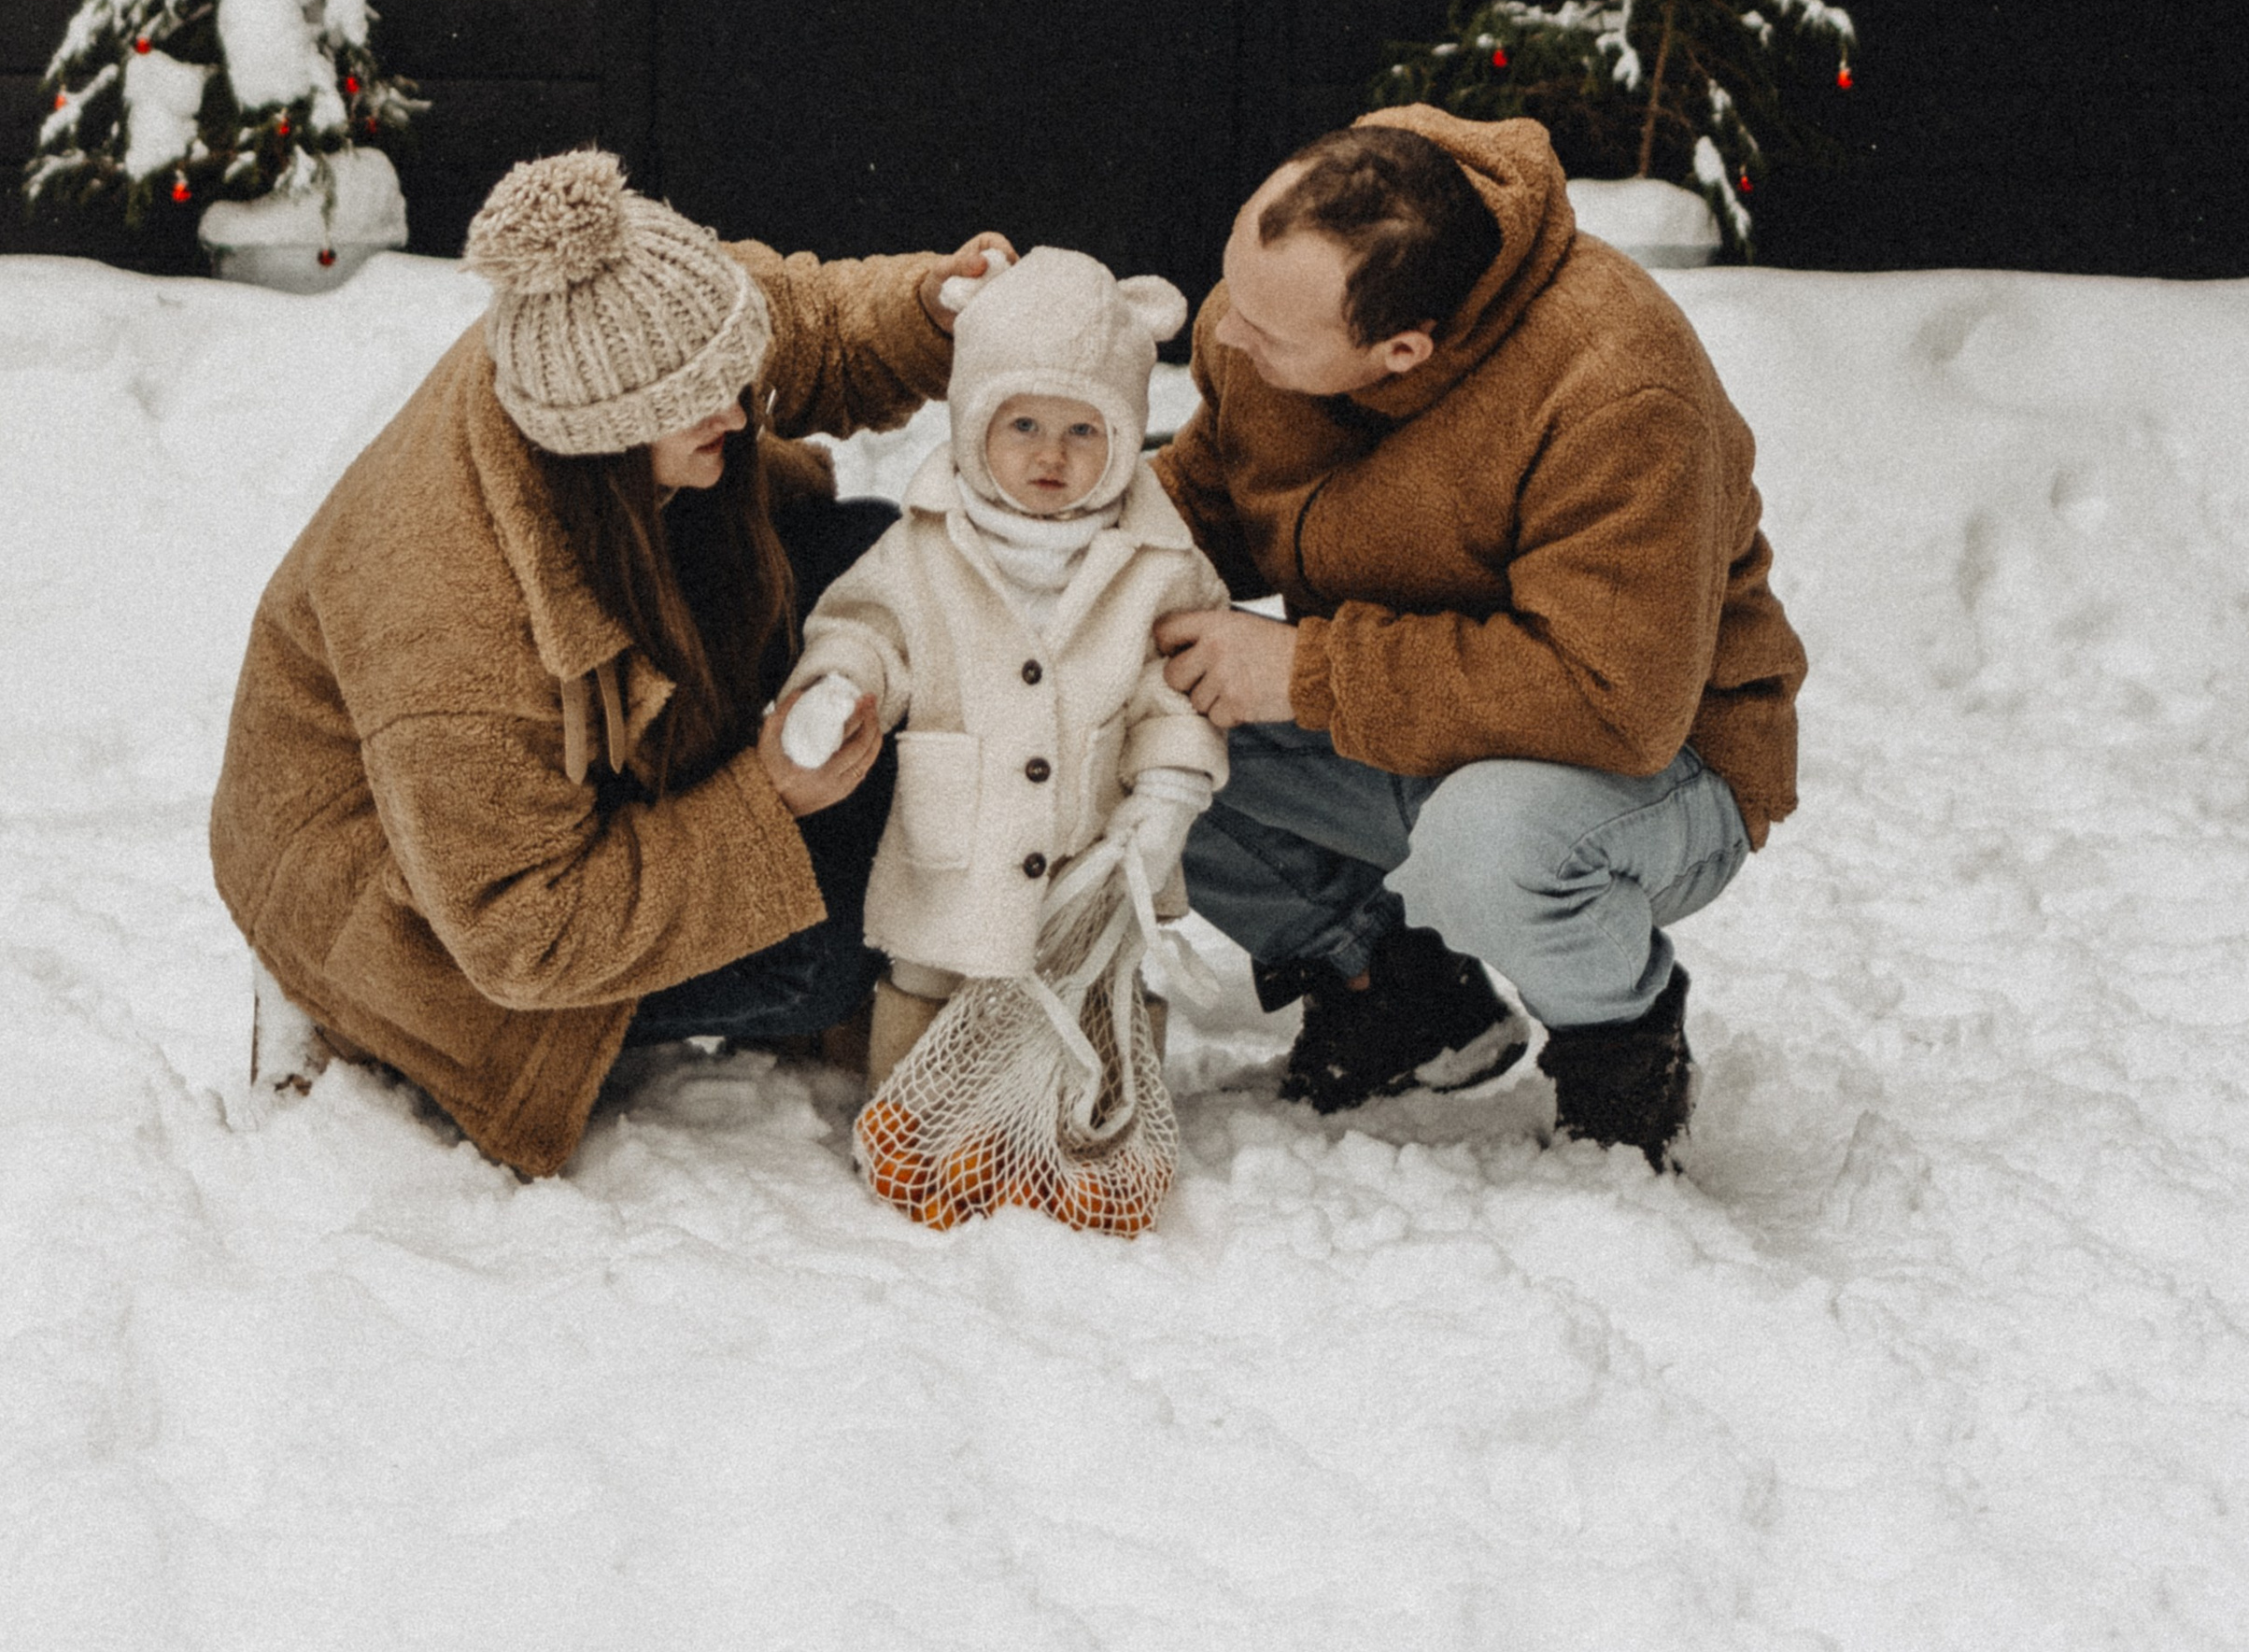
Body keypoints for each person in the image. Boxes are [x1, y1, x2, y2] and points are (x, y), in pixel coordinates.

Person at [209, 146, 1011, 1178]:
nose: (737, 411)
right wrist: (763, 801)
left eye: (733, 384)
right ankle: (348, 1015)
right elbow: (521, 934)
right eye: (702, 404)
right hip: (414, 905)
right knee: (823, 944)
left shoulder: (630, 309)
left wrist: (929, 307)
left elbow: (797, 321)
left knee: (871, 561)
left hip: (511, 791)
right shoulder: (451, 627)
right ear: (603, 433)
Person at [1153, 107, 1805, 1167]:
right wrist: (1049, 548)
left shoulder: (1615, 389)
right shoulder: (1270, 311)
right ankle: (1394, 996)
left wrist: (1309, 672)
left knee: (1493, 844)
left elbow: (1614, 700)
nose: (1224, 334)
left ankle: (1623, 1053)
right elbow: (1215, 500)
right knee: (1122, 704)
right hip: (1417, 726)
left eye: (1266, 335)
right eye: (1232, 285)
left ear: (1400, 351)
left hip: (1658, 766)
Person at [776, 247, 1229, 1090]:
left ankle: (1093, 1135)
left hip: (1098, 844)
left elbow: (1177, 687)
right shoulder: (923, 546)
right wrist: (837, 687)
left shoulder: (1160, 562)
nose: (1051, 454)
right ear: (974, 423)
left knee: (1094, 986)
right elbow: (867, 629)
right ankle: (917, 1126)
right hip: (961, 839)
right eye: (1022, 424)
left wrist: (1170, 788)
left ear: (1126, 434)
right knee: (934, 977)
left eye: (1084, 430)